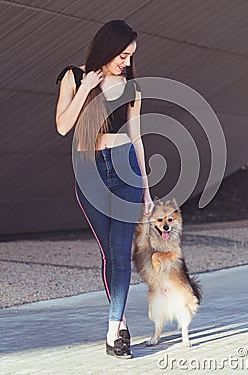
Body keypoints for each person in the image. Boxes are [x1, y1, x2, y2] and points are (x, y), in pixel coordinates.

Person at [55, 20, 155, 359]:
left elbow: (137, 137)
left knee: (120, 251)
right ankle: (121, 320)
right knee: (107, 253)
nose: (125, 62)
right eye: (122, 55)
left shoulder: (132, 87)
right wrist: (87, 87)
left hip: (126, 167)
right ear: (107, 47)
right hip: (90, 171)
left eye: (129, 56)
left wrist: (147, 188)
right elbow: (63, 126)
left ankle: (114, 330)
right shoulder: (73, 77)